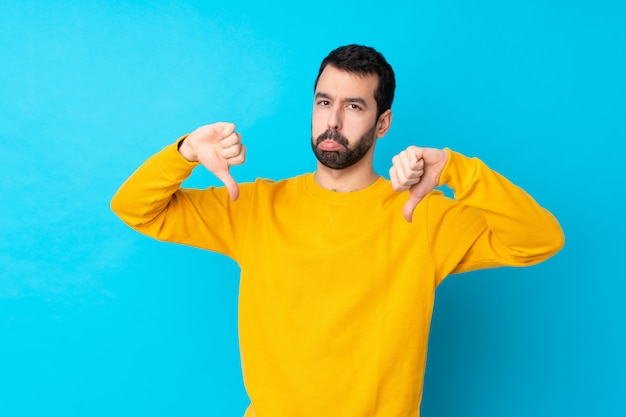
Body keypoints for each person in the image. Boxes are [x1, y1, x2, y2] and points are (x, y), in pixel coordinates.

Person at [111, 44, 564, 417]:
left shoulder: (422, 216)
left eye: (353, 106)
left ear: (382, 123)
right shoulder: (253, 207)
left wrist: (456, 170)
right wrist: (184, 152)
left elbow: (539, 240)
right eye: (324, 102)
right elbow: (135, 209)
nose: (333, 121)